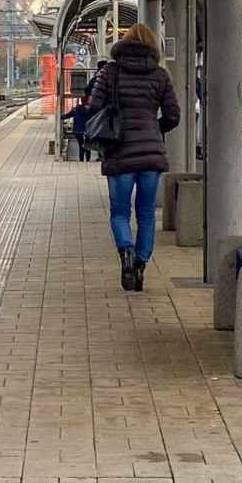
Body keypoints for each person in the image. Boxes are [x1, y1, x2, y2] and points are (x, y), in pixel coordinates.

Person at [84, 23, 180, 291]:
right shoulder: (160, 75)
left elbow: (94, 107)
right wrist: (153, 129)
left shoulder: (110, 71)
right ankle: (140, 265)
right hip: (151, 154)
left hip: (119, 152)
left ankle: (125, 251)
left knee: (119, 211)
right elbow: (173, 116)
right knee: (146, 214)